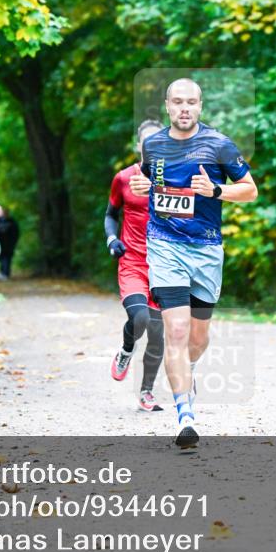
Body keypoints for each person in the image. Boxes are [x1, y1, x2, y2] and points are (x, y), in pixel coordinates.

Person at [130, 78, 258, 448]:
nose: (184, 108)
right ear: (167, 106)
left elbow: (250, 190)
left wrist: (216, 191)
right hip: (164, 244)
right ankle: (185, 415)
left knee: (198, 339)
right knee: (178, 332)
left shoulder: (219, 145)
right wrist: (142, 189)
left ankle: (190, 368)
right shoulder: (153, 145)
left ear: (200, 107)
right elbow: (148, 183)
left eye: (192, 102)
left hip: (205, 249)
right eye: (178, 102)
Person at [105, 119, 166, 412]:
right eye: (147, 142)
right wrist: (111, 238)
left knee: (157, 332)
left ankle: (146, 392)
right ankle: (127, 349)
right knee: (140, 318)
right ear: (138, 146)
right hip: (132, 261)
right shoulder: (123, 178)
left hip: (165, 264)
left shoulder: (174, 179)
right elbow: (110, 214)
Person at [0, 207, 19, 278]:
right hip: (0, 244)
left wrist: (14, 242)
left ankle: (6, 273)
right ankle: (2, 272)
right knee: (1, 258)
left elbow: (16, 233)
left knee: (8, 259)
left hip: (9, 244)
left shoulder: (12, 221)